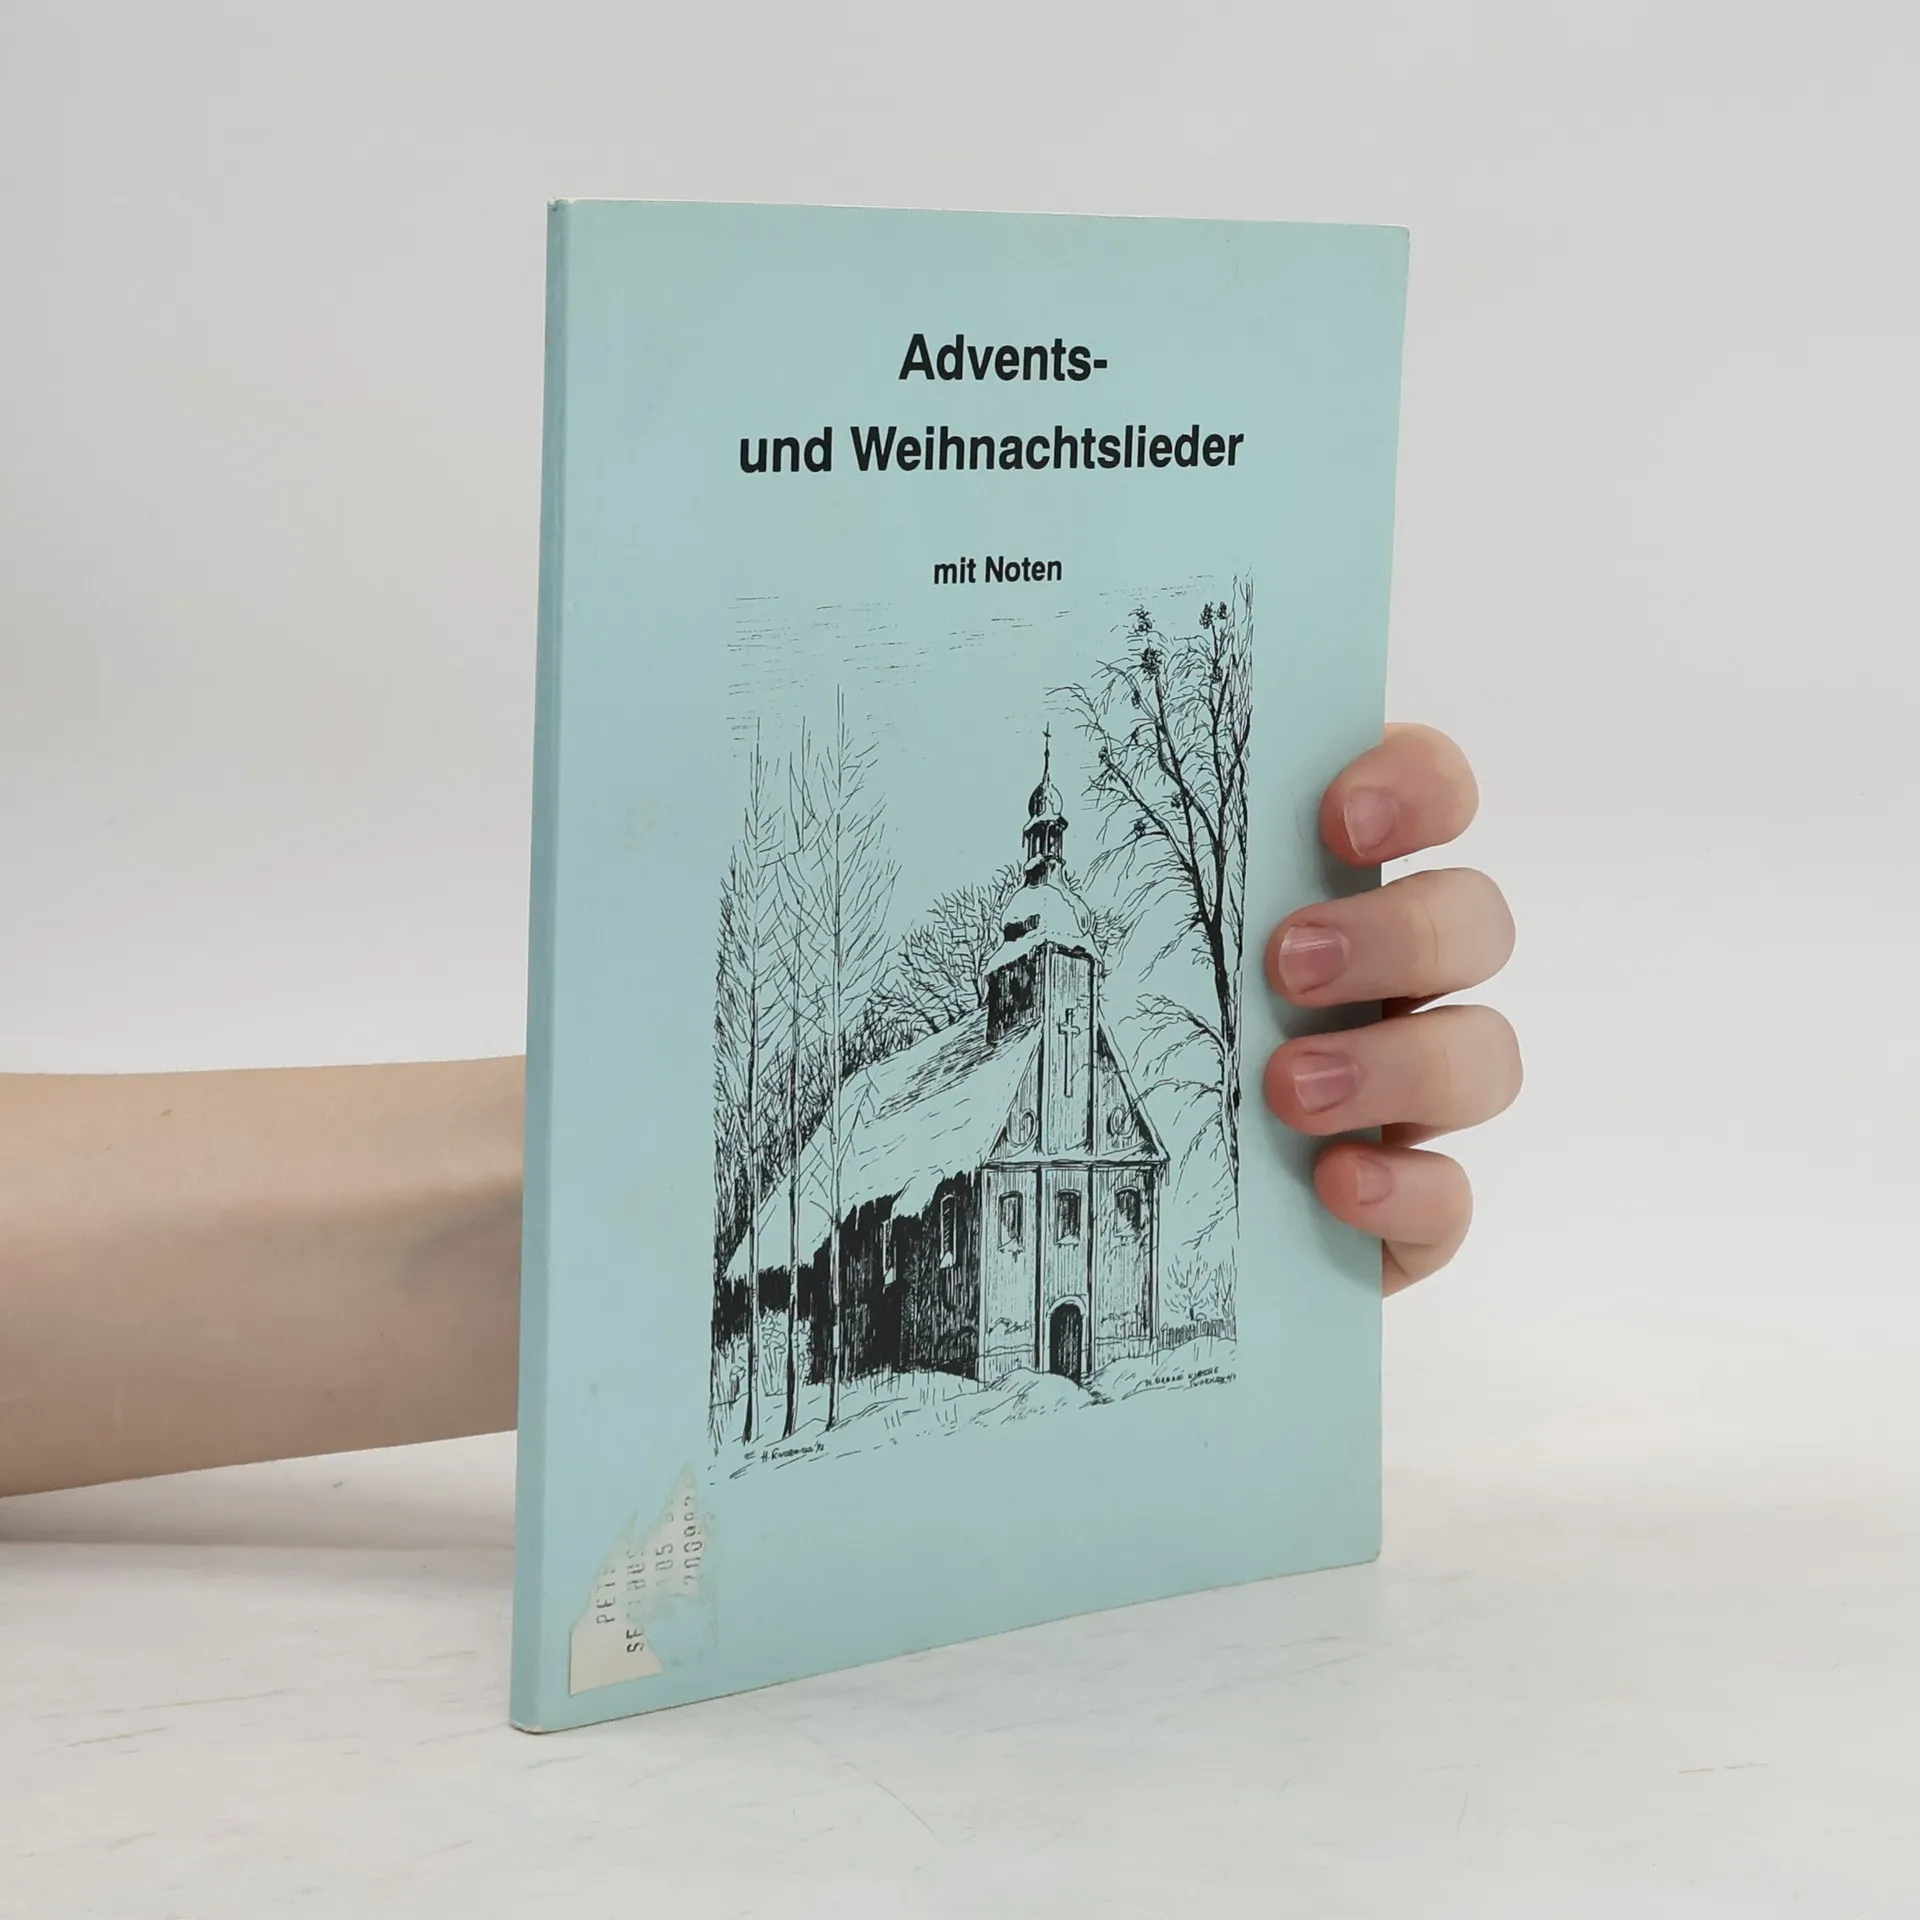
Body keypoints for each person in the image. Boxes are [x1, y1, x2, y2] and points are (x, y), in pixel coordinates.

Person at [0, 725, 1518, 1500]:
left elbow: (1131, 1189)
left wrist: (1281, 1247)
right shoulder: (911, 1100)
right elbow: (867, 1244)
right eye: (1034, 970)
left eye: (1058, 967)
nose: (1048, 986)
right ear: (1018, 972)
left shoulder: (1101, 1092)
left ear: (1069, 962)